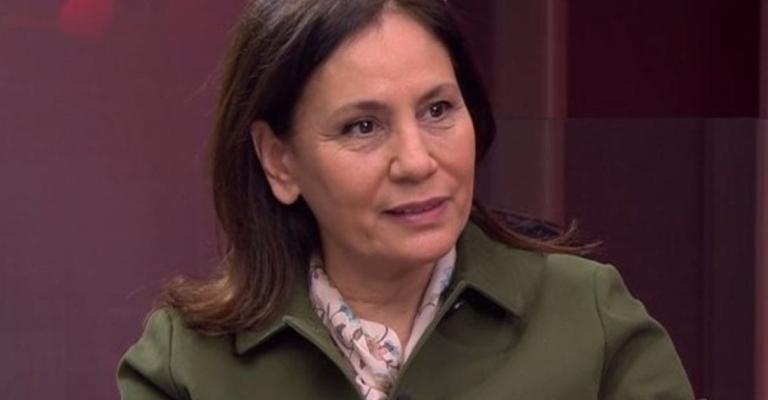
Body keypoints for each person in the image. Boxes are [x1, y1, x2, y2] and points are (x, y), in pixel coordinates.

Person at [117, 1, 695, 399]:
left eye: (438, 110)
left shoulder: (589, 318)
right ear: (279, 160)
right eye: (363, 126)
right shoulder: (185, 362)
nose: (417, 161)